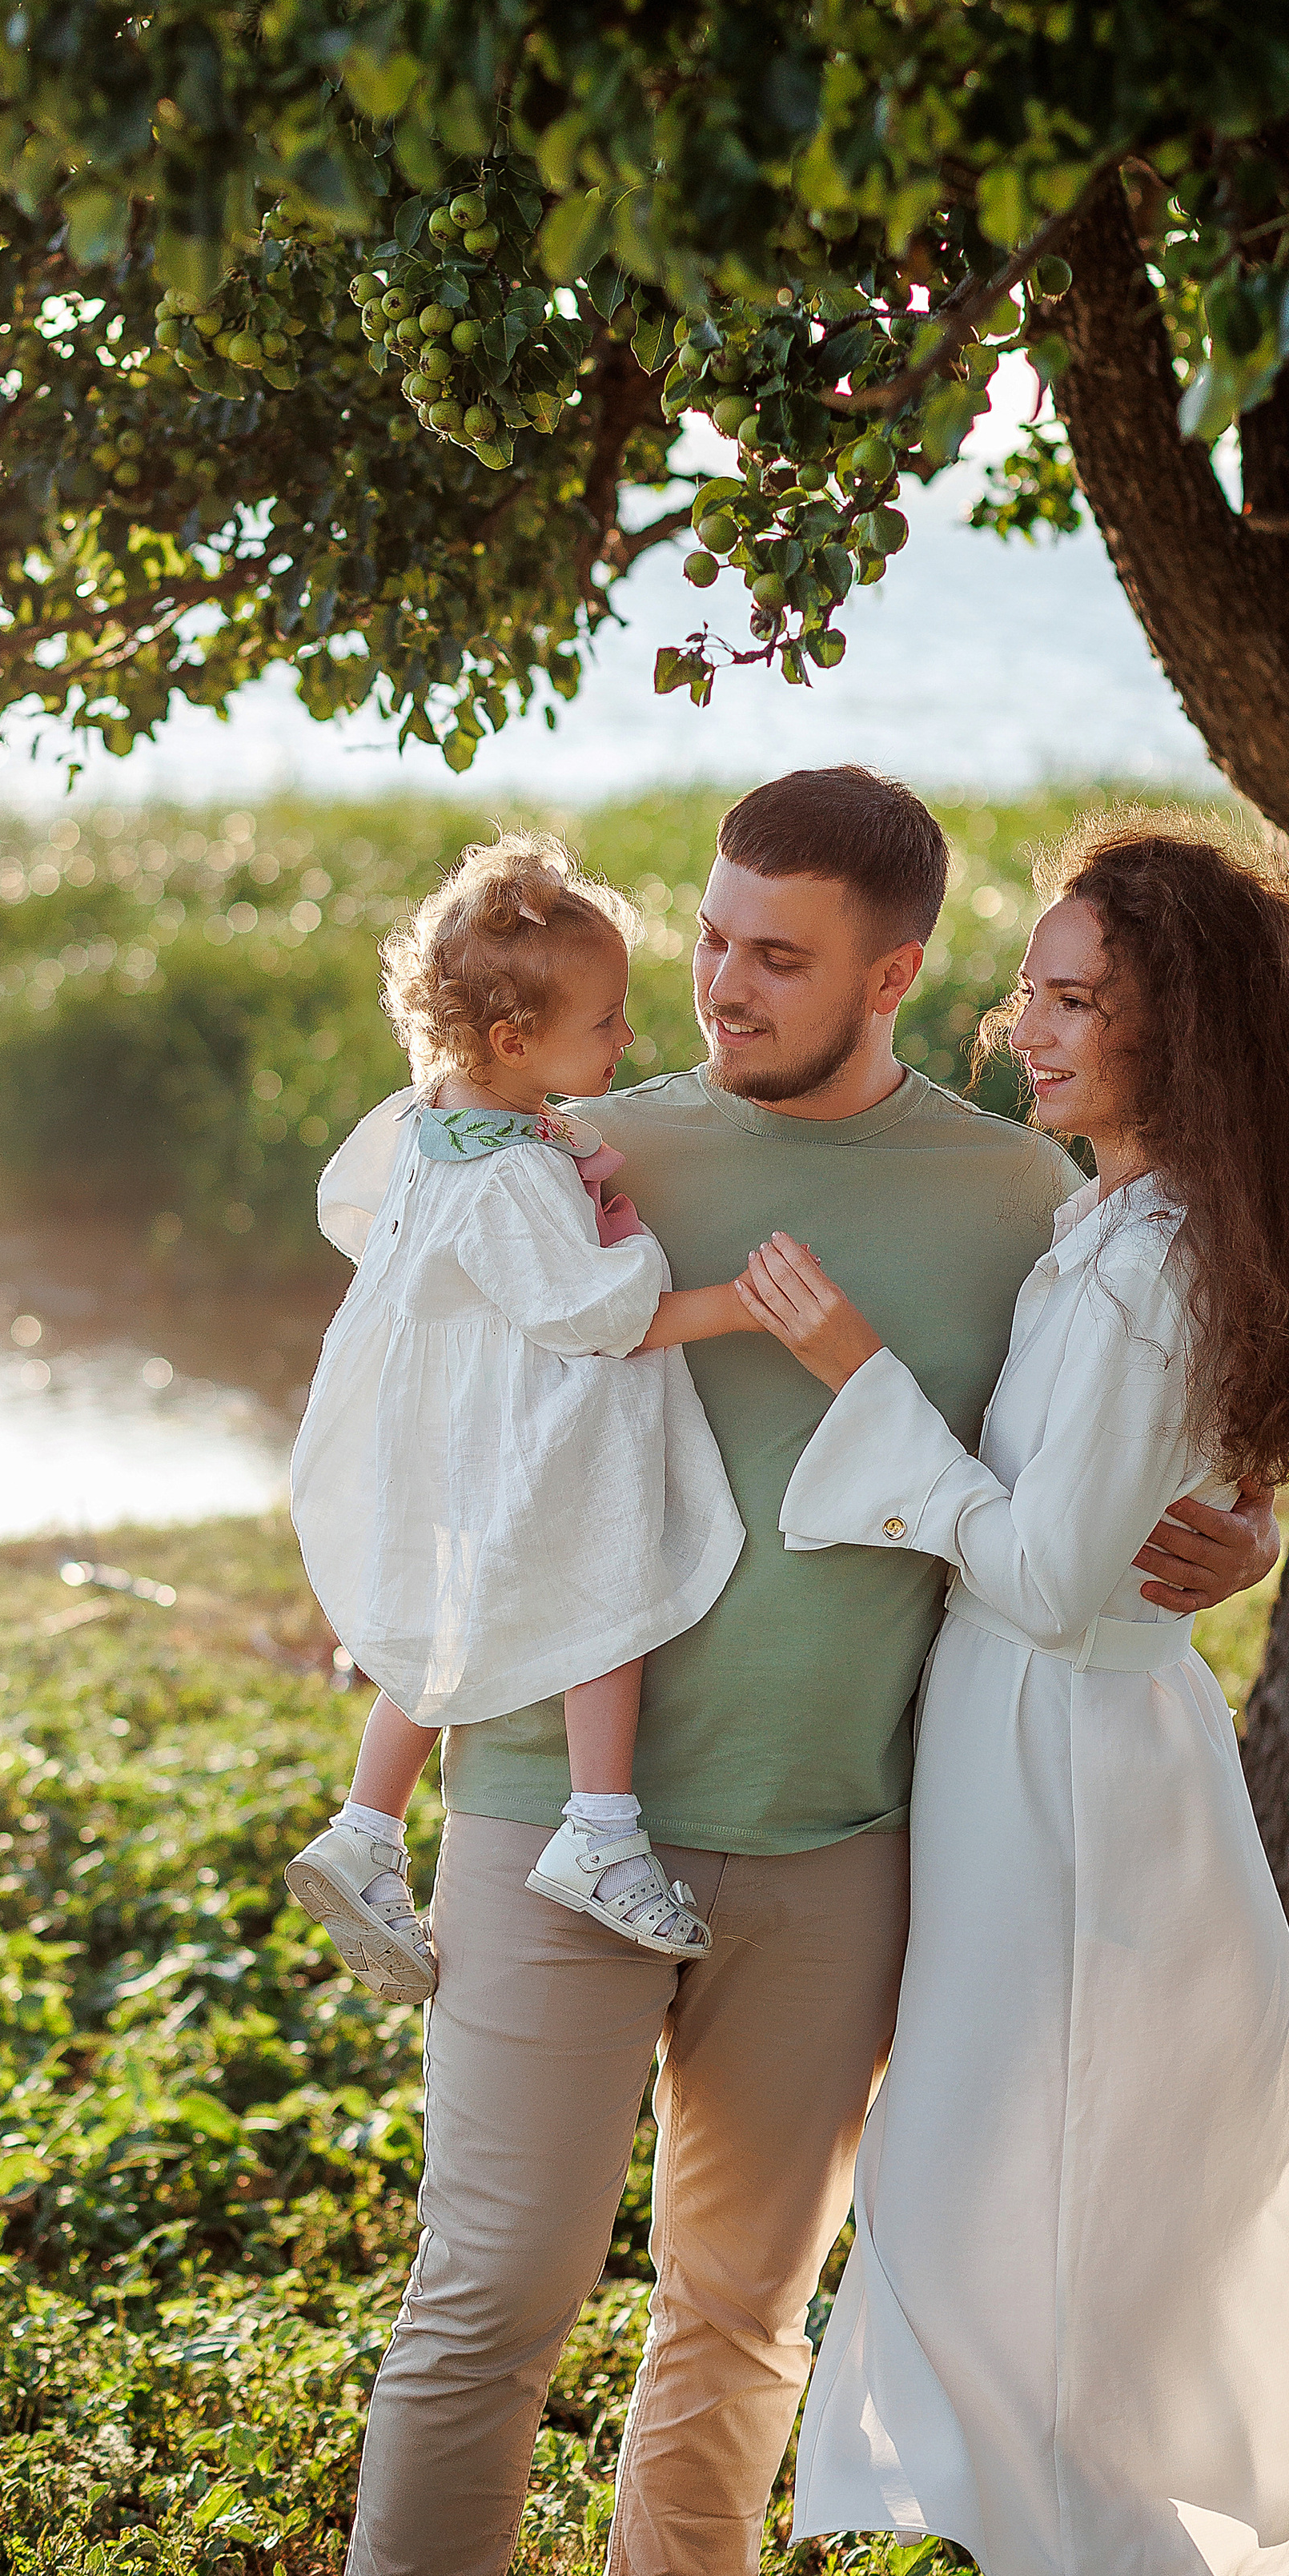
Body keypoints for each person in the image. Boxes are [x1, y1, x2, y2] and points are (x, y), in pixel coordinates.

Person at [339, 767, 1281, 2576]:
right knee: (487, 2297)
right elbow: (408, 1395)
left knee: (737, 2315)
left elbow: (1127, 1424)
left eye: (777, 956)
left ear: (894, 971)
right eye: (706, 937)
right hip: (551, 1809)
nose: (718, 985)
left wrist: (1244, 1527)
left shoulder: (1019, 1197)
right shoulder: (564, 1152)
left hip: (840, 1831)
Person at [736, 816, 1289, 2576]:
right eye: (1032, 988)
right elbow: (1136, 1489)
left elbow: (1051, 1580)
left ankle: (1097, 2564)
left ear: (1179, 1035)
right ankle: (1072, 2552)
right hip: (1052, 1753)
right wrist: (1242, 1525)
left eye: (1076, 1001)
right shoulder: (1117, 1221)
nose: (1026, 1027)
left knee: (1035, 2217)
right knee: (1028, 2202)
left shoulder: (1143, 1260)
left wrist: (855, 1383)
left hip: (1064, 1766)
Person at [286, 834, 754, 2002]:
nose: (629, 1041)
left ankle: (363, 1830)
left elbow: (365, 1217)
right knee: (613, 1587)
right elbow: (607, 1317)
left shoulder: (432, 1115)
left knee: (438, 1625)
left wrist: (562, 1156)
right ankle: (600, 1827)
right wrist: (713, 1284)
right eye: (605, 1024)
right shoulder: (514, 1174)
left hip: (445, 1422)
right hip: (531, 1430)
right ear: (513, 1041)